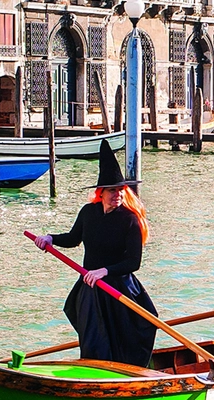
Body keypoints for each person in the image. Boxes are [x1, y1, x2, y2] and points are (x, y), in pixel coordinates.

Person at [32, 143, 157, 367]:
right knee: (93, 339)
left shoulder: (130, 220)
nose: (117, 195)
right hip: (91, 287)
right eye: (112, 190)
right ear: (100, 193)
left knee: (135, 331)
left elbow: (133, 262)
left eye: (120, 190)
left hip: (119, 287)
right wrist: (50, 238)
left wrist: (104, 271)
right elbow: (73, 239)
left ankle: (129, 372)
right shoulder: (88, 212)